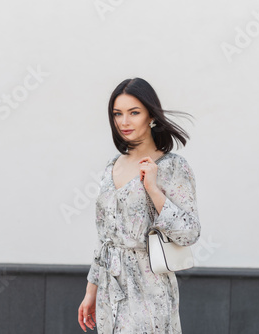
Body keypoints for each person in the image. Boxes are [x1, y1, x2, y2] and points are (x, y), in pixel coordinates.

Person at [78, 77, 201, 333]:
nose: (124, 122)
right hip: (110, 290)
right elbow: (104, 238)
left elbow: (189, 232)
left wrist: (153, 189)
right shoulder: (113, 165)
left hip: (149, 286)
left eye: (134, 113)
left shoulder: (172, 166)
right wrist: (92, 289)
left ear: (151, 116)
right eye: (117, 113)